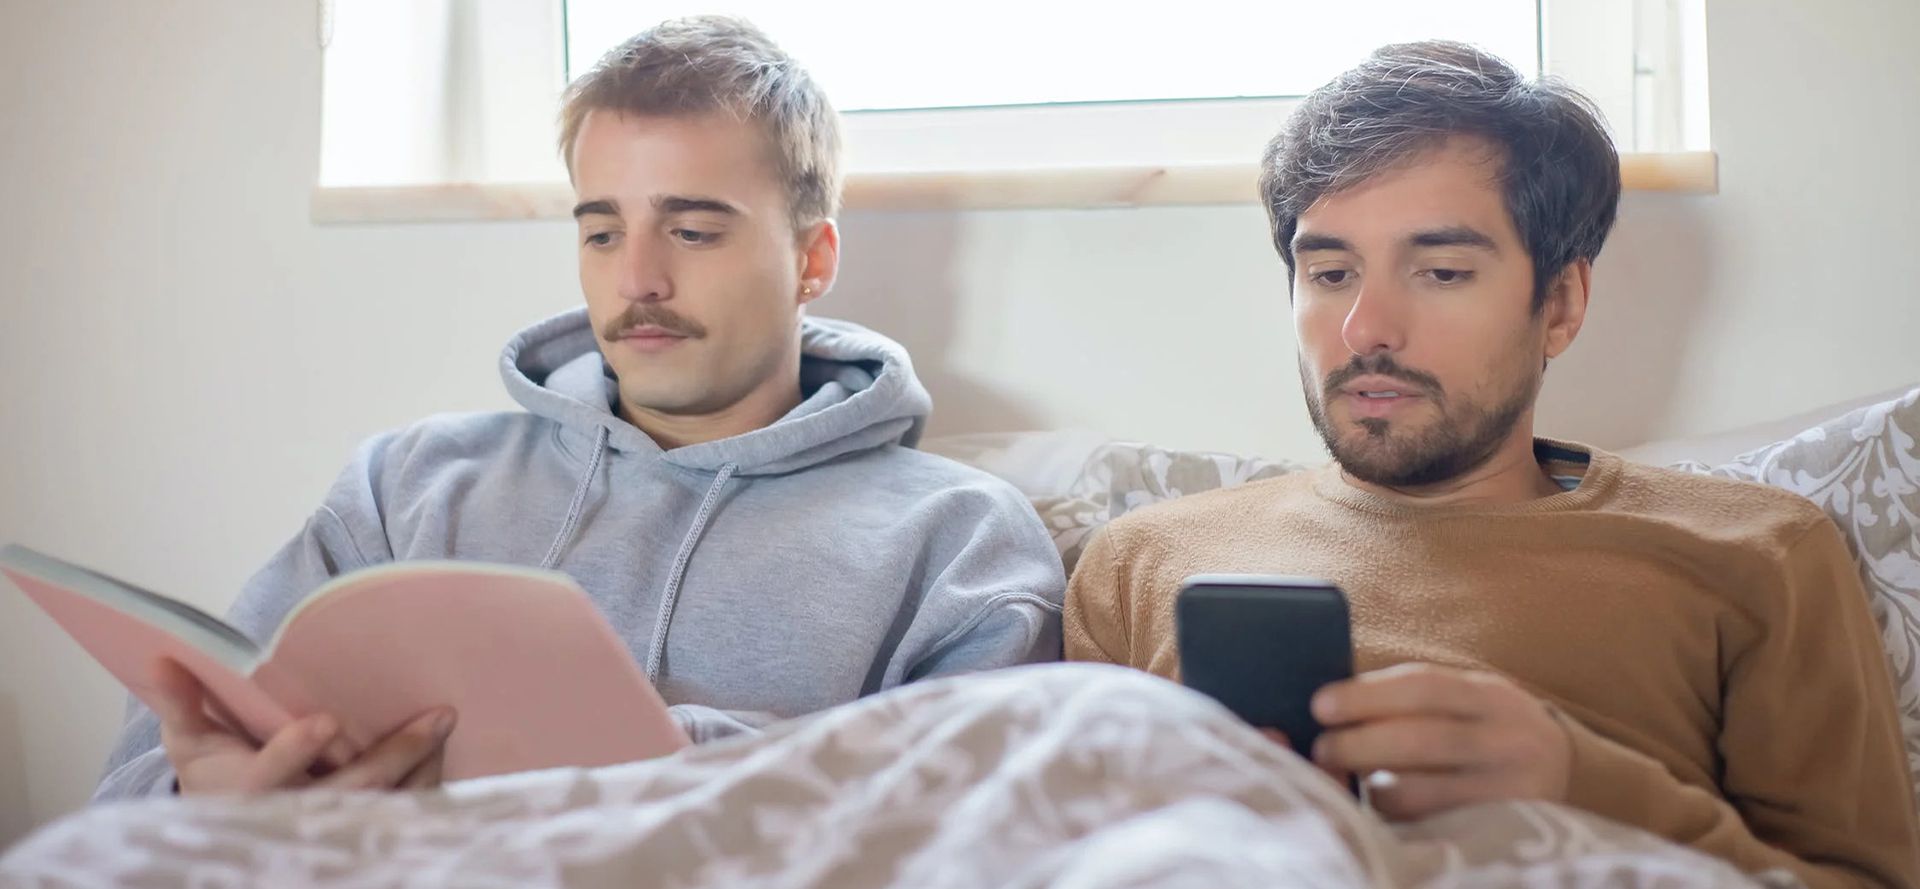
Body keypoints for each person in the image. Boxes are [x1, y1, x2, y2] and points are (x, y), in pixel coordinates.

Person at [95, 15, 1064, 800]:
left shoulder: (957, 544)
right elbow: (134, 781)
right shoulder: (408, 486)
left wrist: (624, 752)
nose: (637, 278)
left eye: (690, 229)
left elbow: (984, 830)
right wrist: (203, 803)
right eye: (602, 232)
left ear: (812, 259)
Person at [1064, 41, 1919, 888]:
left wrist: (1579, 780)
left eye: (1439, 270)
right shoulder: (1139, 564)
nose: (1364, 329)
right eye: (1329, 271)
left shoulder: (1756, 552)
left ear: (1559, 304)